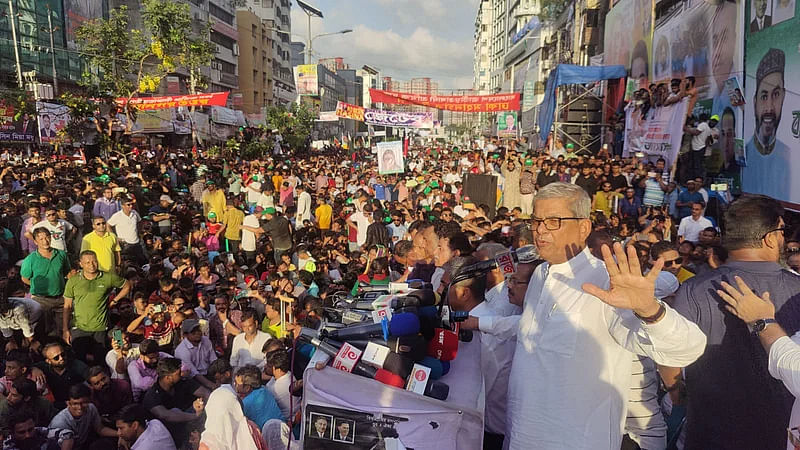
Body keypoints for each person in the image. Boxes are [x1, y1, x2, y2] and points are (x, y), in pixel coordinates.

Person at [502, 182, 705, 449]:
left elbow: (686, 349)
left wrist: (650, 311)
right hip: (521, 434)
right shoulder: (540, 274)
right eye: (536, 220)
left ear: (584, 227)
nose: (540, 230)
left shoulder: (607, 282)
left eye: (553, 221)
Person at [664, 195, 800, 449]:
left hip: (709, 435)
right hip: (779, 437)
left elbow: (671, 357)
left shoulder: (693, 289)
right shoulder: (796, 291)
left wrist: (676, 390)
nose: (783, 239)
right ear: (770, 237)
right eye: (782, 231)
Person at [745, 48, 789, 200]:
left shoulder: (789, 156)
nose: (769, 107)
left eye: (776, 95)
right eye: (764, 96)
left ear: (783, 96)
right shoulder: (746, 153)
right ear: (755, 101)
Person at [62, 250, 131, 350]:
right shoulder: (73, 281)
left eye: (94, 261)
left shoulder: (108, 278)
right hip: (80, 328)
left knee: (101, 357)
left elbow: (127, 286)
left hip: (101, 328)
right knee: (80, 358)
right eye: (87, 262)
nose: (92, 265)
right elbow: (67, 306)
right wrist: (65, 330)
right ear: (81, 264)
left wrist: (114, 301)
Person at [141, 358, 208, 446]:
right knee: (175, 411)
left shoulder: (182, 382)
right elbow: (166, 415)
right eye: (178, 373)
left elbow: (206, 393)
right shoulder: (152, 396)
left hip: (189, 420)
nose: (181, 374)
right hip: (166, 432)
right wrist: (194, 416)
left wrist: (201, 404)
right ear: (168, 377)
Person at [21, 228, 70, 337]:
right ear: (35, 241)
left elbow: (66, 272)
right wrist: (38, 286)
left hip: (61, 298)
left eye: (47, 237)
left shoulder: (61, 254)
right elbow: (25, 278)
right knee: (42, 331)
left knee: (63, 330)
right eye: (41, 238)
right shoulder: (30, 259)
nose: (45, 241)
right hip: (41, 300)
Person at [48, 383, 118, 449]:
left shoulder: (91, 408)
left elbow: (100, 429)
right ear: (68, 403)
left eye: (84, 403)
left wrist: (120, 434)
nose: (80, 407)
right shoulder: (60, 423)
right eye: (75, 404)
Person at [35, 343, 87, 410]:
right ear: (48, 361)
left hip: (76, 405)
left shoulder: (76, 365)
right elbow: (28, 366)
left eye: (63, 354)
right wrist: (35, 369)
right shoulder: (44, 367)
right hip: (54, 407)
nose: (61, 358)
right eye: (56, 358)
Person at [173, 319, 217, 390]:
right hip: (192, 379)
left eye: (198, 330)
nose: (198, 333)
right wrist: (211, 385)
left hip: (208, 372)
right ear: (185, 335)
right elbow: (194, 373)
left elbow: (213, 360)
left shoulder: (206, 340)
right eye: (193, 332)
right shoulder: (182, 351)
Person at [4, 411, 74, 450]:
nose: (28, 435)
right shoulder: (8, 446)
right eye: (21, 432)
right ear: (12, 433)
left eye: (30, 430)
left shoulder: (38, 431)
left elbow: (67, 434)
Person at [108, 196, 144, 264]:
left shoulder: (135, 213)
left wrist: (139, 233)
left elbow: (139, 222)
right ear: (122, 206)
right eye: (128, 205)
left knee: (140, 262)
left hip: (136, 243)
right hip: (125, 244)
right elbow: (108, 225)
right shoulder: (117, 215)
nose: (131, 206)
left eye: (131, 204)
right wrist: (115, 237)